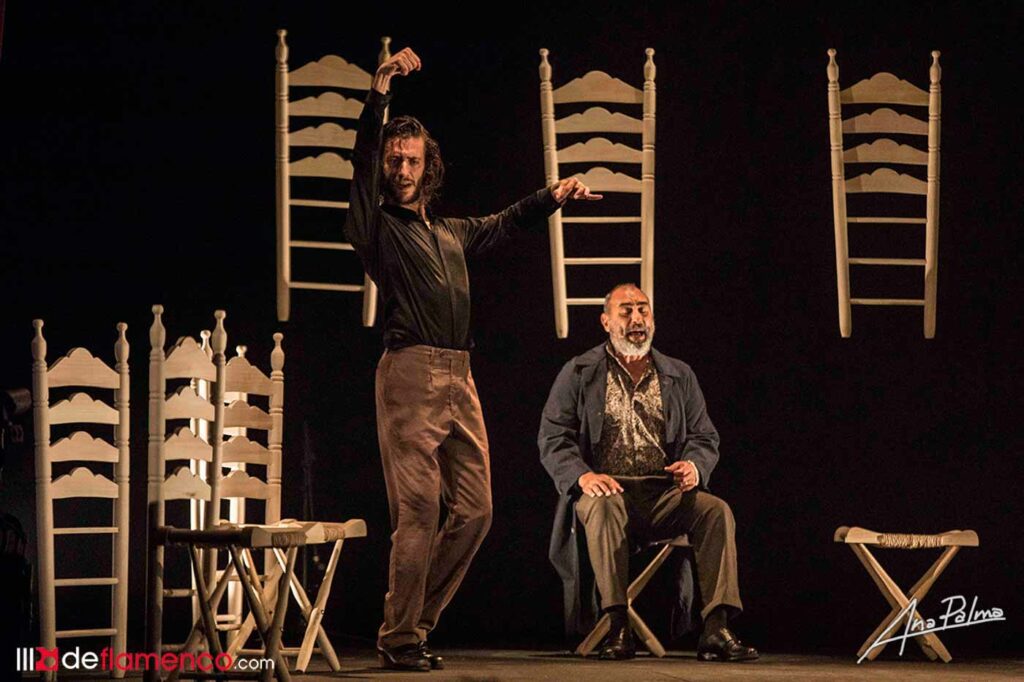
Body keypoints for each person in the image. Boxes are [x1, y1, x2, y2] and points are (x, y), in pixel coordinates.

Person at [345, 47, 601, 672]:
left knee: (477, 510)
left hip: (461, 377)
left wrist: (551, 195)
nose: (402, 169)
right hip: (410, 373)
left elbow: (505, 222)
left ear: (428, 166)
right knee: (419, 510)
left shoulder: (449, 231)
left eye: (412, 160)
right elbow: (361, 161)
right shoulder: (376, 226)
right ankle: (400, 637)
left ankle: (411, 625)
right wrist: (380, 91)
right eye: (394, 160)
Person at [538, 283, 758, 662]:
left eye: (643, 310)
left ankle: (716, 627)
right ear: (606, 321)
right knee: (603, 505)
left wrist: (694, 466)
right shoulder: (579, 371)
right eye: (626, 311)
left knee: (715, 511)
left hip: (662, 493)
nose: (637, 319)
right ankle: (617, 626)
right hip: (607, 491)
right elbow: (553, 436)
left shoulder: (678, 374)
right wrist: (582, 476)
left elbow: (704, 436)